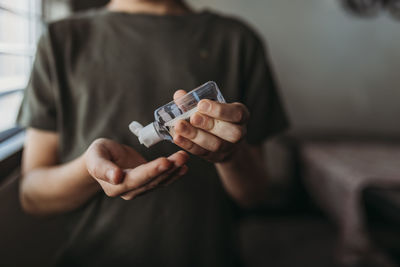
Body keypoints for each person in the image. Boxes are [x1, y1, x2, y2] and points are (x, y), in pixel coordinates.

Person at [17, 0, 288, 266]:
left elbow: (255, 194)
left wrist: (229, 156)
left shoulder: (236, 40)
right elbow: (32, 197)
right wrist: (90, 170)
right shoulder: (61, 40)